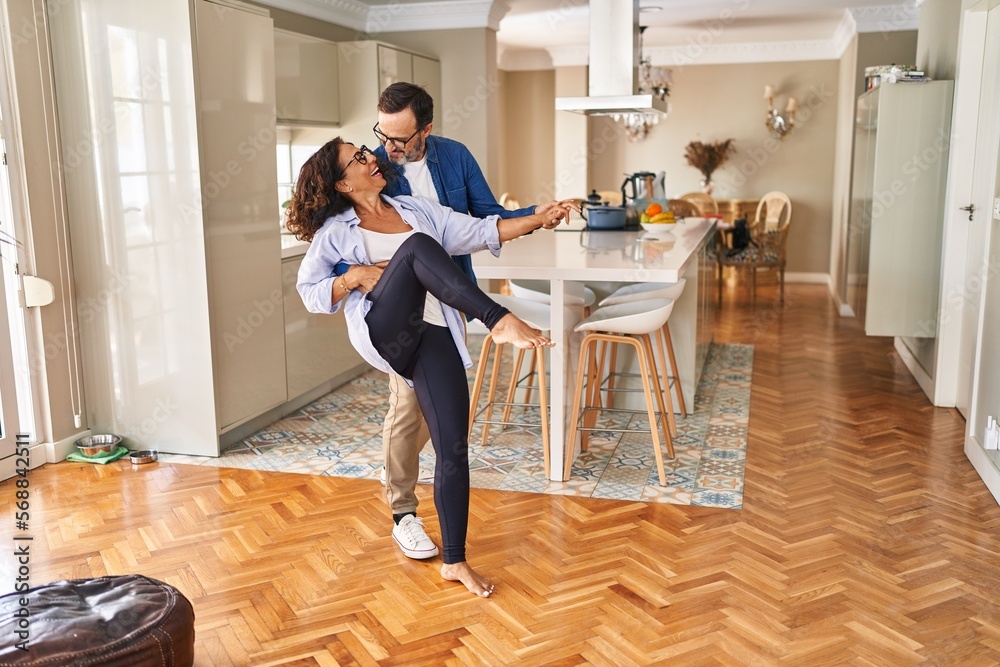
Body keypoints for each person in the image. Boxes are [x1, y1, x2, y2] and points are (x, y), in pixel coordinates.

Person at [289, 138, 573, 597]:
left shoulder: (415, 209)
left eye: (365, 151)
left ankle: (455, 561)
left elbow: (479, 230)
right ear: (342, 183)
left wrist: (539, 218)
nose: (371, 158)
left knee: (452, 447)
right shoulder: (336, 232)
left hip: (434, 334)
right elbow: (311, 293)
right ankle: (498, 320)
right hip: (388, 330)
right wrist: (354, 276)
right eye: (358, 158)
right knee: (419, 248)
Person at [334, 82, 570, 561]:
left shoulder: (454, 158)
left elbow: (485, 222)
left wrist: (537, 216)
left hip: (446, 300)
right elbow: (340, 243)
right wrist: (357, 275)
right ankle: (403, 511)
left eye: (401, 139)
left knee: (437, 412)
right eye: (383, 135)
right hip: (397, 314)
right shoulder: (374, 170)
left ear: (426, 130)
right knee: (408, 406)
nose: (388, 149)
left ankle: (399, 473)